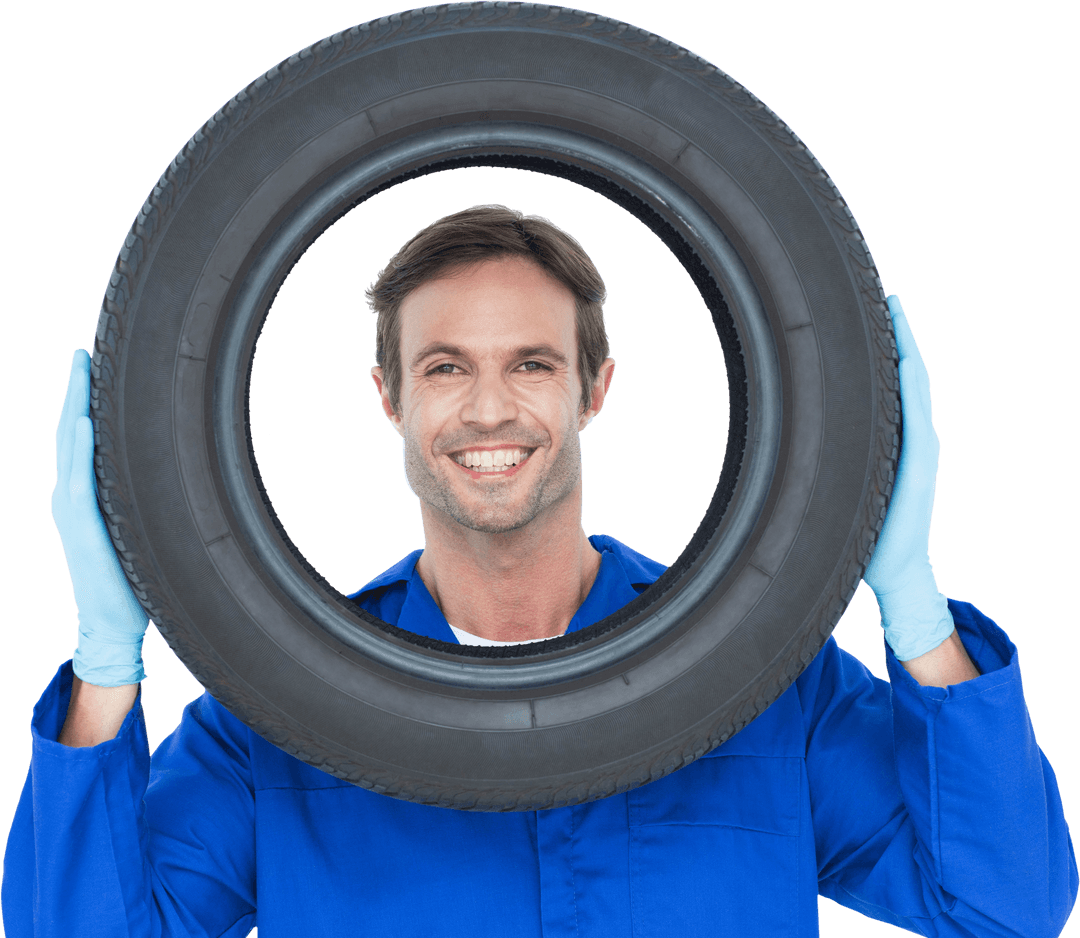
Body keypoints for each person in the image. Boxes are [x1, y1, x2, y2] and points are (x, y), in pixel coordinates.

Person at [2, 205, 1076, 936]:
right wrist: (107, 660)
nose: (487, 409)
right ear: (390, 397)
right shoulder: (278, 710)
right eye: (444, 366)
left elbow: (1007, 907)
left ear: (594, 388)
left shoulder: (761, 674)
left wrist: (915, 599)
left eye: (531, 363)